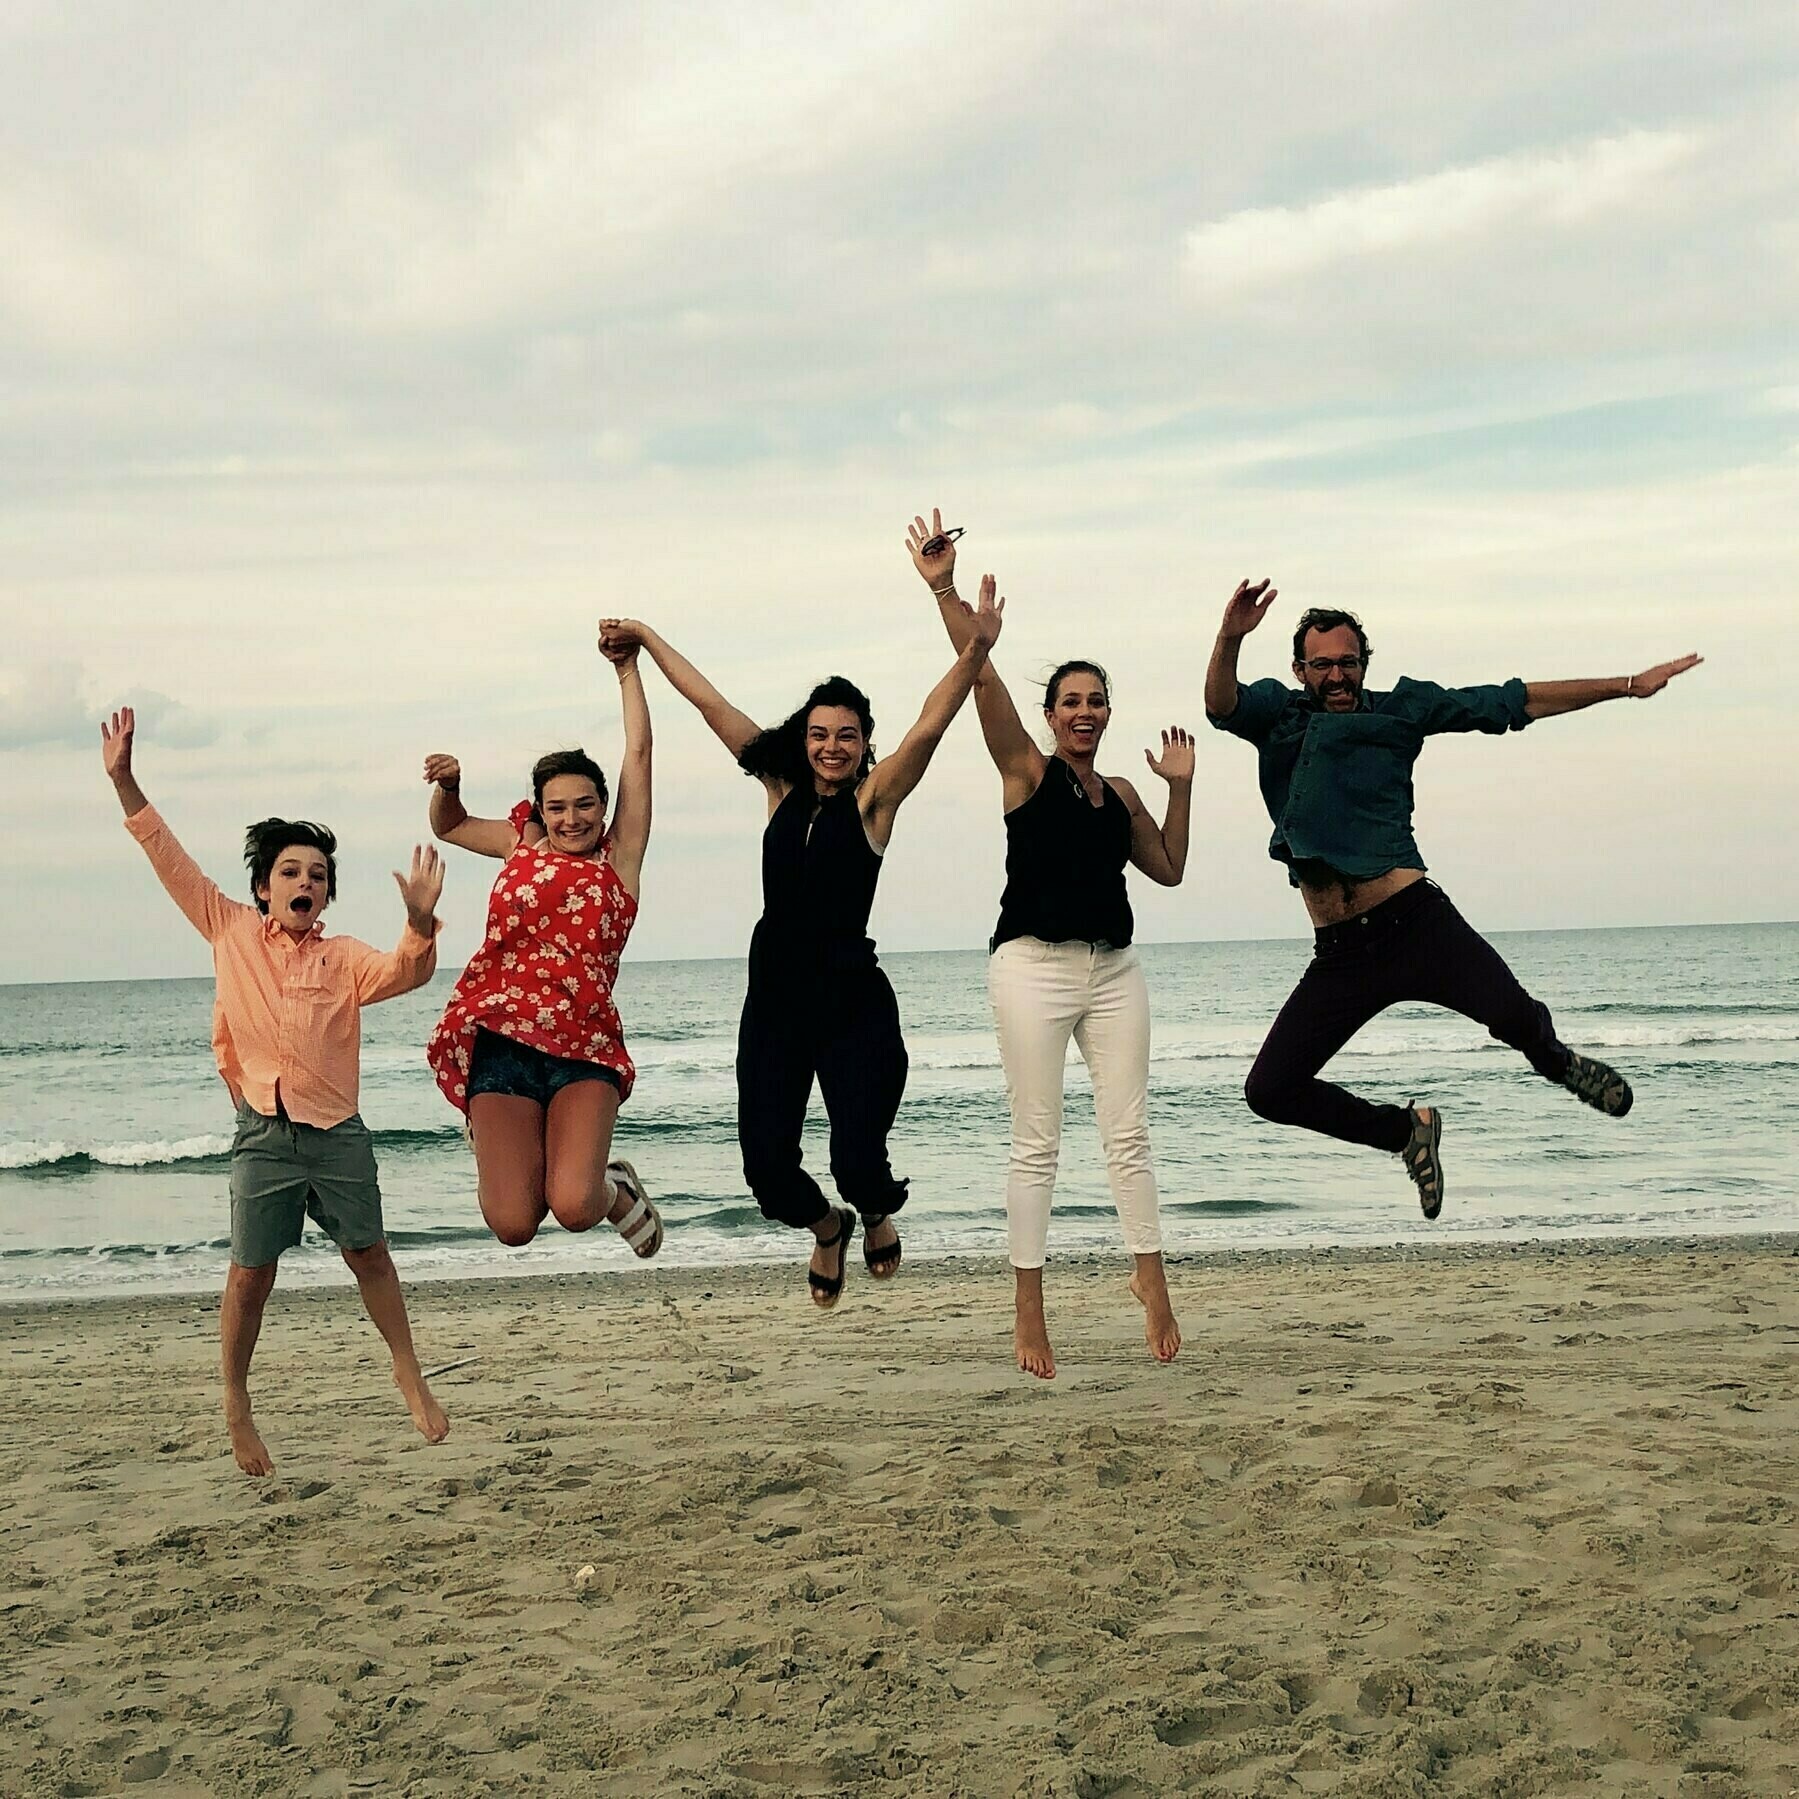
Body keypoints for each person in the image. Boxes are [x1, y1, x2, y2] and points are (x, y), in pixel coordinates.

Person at [1204, 580, 1703, 1215]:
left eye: (1348, 662)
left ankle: (1559, 1063)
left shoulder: (1402, 710)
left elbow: (1508, 702)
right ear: (1299, 669)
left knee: (1518, 1020)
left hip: (1416, 924)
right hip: (1341, 953)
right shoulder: (1276, 717)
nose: (1336, 675)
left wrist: (1627, 684)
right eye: (1322, 664)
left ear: (1364, 665)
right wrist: (1230, 637)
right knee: (1270, 1090)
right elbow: (1221, 704)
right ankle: (1405, 1132)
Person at [598, 591, 1002, 1307]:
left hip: (852, 1000)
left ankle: (872, 1210)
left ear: (863, 742)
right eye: (819, 733)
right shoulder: (778, 786)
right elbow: (709, 703)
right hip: (776, 1000)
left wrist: (974, 649)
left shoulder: (875, 802)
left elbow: (930, 726)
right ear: (804, 736)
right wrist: (647, 639)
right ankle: (828, 1226)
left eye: (846, 735)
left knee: (860, 1162)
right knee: (767, 1171)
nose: (831, 747)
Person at [100, 705, 450, 1478]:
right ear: (263, 886)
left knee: (372, 1258)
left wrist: (419, 924)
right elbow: (170, 859)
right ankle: (235, 1396)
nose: (304, 882)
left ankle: (408, 1372)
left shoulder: (345, 958)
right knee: (251, 1275)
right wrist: (125, 780)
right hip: (262, 1131)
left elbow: (407, 972)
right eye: (290, 871)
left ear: (326, 897)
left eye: (317, 876)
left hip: (338, 1133)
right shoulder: (228, 929)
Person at [908, 510, 1194, 1381]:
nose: (1083, 711)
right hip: (1030, 965)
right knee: (1037, 1140)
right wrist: (946, 592)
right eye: (1069, 701)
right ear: (1049, 713)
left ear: (1108, 711)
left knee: (1128, 1134)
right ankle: (1028, 1309)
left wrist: (1178, 789)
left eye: (1094, 700)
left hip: (1113, 970)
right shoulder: (1024, 772)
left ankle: (1150, 1279)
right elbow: (981, 682)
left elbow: (1170, 868)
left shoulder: (1115, 791)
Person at [423, 626, 659, 1257]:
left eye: (585, 805)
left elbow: (639, 754)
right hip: (500, 1041)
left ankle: (615, 1190)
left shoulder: (619, 860)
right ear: (540, 810)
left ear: (604, 809)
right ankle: (493, 1133)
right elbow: (449, 826)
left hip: (583, 1046)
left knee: (576, 1206)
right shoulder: (520, 843)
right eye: (557, 808)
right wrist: (449, 786)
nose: (571, 819)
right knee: (514, 1226)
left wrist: (627, 669)